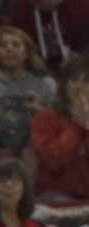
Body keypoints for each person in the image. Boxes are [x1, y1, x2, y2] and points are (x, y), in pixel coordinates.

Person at [0, 25, 57, 150]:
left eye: (16, 45)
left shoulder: (44, 85)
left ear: (26, 53)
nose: (9, 49)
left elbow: (58, 130)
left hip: (35, 154)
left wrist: (38, 111)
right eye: (3, 45)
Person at [30, 58, 89, 198]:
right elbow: (53, 162)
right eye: (76, 83)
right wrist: (76, 126)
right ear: (65, 87)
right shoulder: (45, 118)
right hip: (56, 193)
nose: (81, 92)